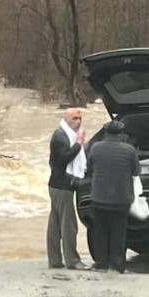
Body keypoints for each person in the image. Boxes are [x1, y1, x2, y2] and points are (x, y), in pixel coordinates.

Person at [86, 119, 140, 273]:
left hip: (99, 197)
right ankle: (117, 265)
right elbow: (136, 171)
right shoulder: (129, 150)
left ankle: (101, 264)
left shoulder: (95, 147)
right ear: (121, 134)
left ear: (106, 133)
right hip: (121, 199)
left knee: (100, 232)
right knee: (119, 232)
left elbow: (89, 169)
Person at [46, 107, 87, 270]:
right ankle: (72, 261)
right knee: (68, 225)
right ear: (66, 120)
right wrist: (78, 144)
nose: (78, 122)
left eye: (80, 118)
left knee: (55, 224)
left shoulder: (66, 134)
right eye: (74, 119)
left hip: (57, 184)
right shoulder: (60, 136)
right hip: (62, 186)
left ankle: (55, 260)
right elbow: (63, 159)